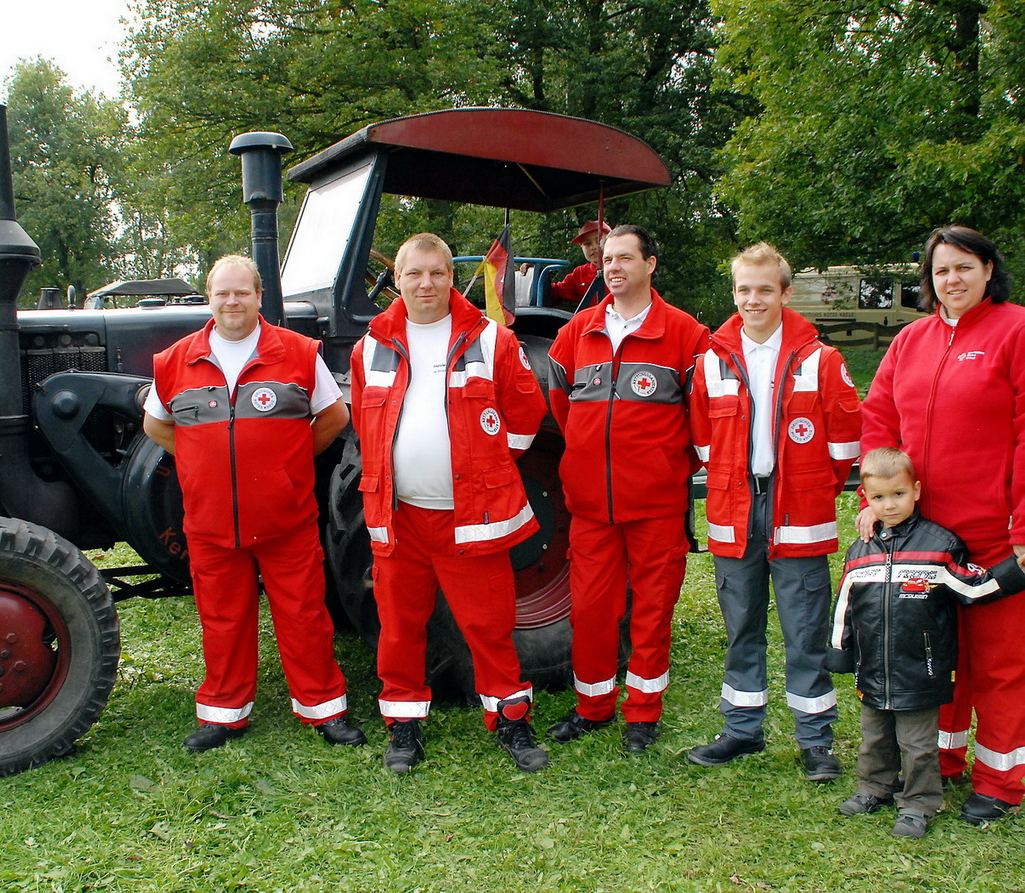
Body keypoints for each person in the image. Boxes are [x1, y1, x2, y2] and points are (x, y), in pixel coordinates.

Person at [142, 255, 365, 752]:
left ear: (259, 296)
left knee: (304, 616)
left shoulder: (299, 353)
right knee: (222, 621)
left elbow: (333, 417)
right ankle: (223, 715)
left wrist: (287, 465)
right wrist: (199, 462)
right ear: (209, 297)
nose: (232, 301)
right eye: (222, 292)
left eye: (242, 292)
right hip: (210, 523)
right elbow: (155, 425)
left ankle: (324, 710)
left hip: (286, 520)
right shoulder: (174, 361)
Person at [349, 232, 549, 774]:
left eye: (437, 272)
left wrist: (487, 466)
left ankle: (511, 719)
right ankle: (404, 726)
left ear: (452, 277)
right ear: (397, 279)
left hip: (471, 520)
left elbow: (526, 412)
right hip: (400, 518)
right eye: (414, 273)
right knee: (399, 629)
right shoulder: (370, 346)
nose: (426, 284)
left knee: (489, 626)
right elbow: (367, 425)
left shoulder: (491, 339)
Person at [862, 224, 1025, 824]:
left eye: (963, 267)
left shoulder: (1017, 330)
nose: (952, 280)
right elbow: (879, 420)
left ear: (988, 270)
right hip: (922, 541)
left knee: (1000, 664)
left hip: (993, 534)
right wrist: (876, 498)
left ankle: (1001, 780)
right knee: (934, 658)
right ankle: (940, 763)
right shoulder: (911, 339)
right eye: (941, 270)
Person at [687, 242, 861, 781]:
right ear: (733, 293)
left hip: (798, 511)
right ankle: (742, 730)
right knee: (741, 626)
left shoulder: (821, 360)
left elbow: (844, 446)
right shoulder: (712, 360)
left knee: (804, 629)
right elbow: (702, 440)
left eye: (765, 289)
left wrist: (809, 488)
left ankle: (816, 741)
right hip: (734, 508)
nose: (753, 300)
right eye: (744, 289)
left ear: (785, 293)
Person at [546, 224, 709, 754]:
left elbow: (701, 419)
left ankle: (643, 714)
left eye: (624, 258)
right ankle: (593, 708)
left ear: (650, 264)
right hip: (591, 507)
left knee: (652, 613)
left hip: (656, 507)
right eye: (607, 259)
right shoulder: (577, 332)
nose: (612, 267)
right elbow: (562, 407)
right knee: (590, 612)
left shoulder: (686, 335)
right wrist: (588, 458)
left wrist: (663, 467)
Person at [826, 448, 1025, 838]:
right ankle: (874, 787)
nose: (890, 504)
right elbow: (845, 602)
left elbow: (972, 588)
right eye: (879, 497)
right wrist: (838, 649)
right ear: (866, 499)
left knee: (918, 744)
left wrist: (1014, 571)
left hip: (920, 670)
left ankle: (918, 804)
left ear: (916, 491)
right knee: (874, 737)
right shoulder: (860, 550)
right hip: (873, 670)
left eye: (898, 494)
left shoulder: (938, 546)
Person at [549, 220, 611, 308]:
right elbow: (556, 291)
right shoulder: (580, 273)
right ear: (581, 247)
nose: (593, 247)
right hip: (592, 316)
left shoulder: (622, 268)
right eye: (587, 243)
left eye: (599, 241)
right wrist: (535, 273)